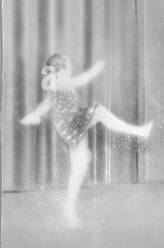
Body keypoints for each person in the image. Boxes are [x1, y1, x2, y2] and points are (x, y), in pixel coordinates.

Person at [20, 54, 153, 225]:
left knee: (80, 165)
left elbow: (45, 105)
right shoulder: (59, 81)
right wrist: (97, 68)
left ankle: (69, 210)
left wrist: (32, 116)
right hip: (71, 124)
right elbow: (81, 80)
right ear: (62, 68)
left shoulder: (55, 84)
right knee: (100, 113)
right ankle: (139, 131)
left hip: (71, 124)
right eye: (68, 63)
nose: (71, 65)